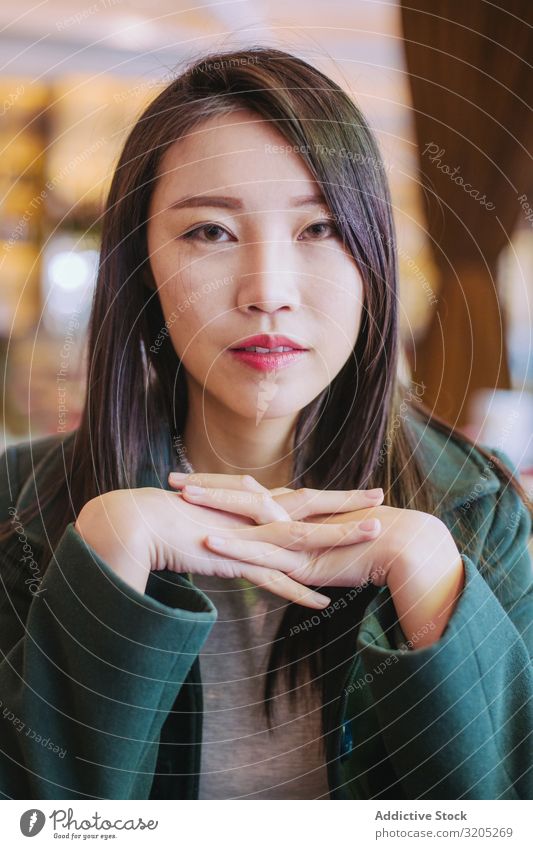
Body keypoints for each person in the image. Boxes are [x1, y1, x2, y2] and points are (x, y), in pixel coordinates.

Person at [0, 46, 531, 801]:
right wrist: (107, 563)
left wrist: (428, 579)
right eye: (209, 231)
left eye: (318, 229)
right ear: (141, 265)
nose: (268, 291)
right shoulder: (19, 509)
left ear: (371, 259)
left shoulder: (476, 513)